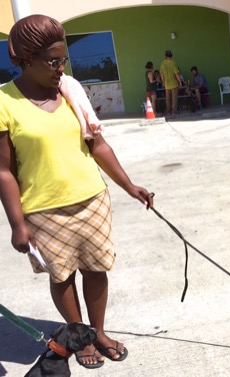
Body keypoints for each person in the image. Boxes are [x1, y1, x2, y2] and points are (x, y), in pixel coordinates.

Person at [0, 15, 154, 369]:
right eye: (53, 61)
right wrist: (17, 223)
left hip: (92, 200)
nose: (61, 68)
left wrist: (129, 186)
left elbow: (97, 144)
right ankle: (79, 337)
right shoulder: (5, 102)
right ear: (26, 60)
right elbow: (4, 171)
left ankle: (97, 333)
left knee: (97, 270)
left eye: (63, 59)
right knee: (62, 276)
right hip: (43, 211)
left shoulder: (70, 90)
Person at [159, 50, 182, 116]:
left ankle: (168, 111)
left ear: (165, 56)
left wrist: (163, 82)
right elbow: (177, 74)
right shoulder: (173, 63)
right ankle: (174, 111)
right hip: (174, 83)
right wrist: (180, 82)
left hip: (166, 84)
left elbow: (161, 75)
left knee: (167, 98)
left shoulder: (162, 64)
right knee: (174, 98)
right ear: (171, 56)